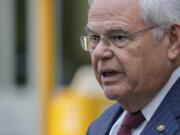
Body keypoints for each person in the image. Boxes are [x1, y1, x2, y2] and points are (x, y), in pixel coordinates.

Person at [80, 0, 180, 134]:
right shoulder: (99, 127)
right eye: (94, 38)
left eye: (118, 37)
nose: (99, 52)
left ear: (173, 40)